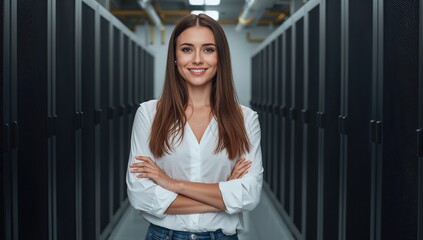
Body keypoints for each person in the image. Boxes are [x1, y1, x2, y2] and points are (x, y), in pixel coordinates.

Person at [126, 13, 263, 240]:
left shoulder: (245, 119)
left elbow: (249, 196)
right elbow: (141, 196)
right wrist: (222, 193)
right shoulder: (149, 115)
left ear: (220, 57)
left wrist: (171, 184)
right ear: (175, 57)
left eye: (208, 49)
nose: (197, 59)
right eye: (187, 49)